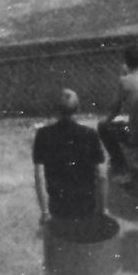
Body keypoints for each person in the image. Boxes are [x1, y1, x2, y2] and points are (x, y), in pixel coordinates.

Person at [30, 88, 106, 224]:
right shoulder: (90, 134)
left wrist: (45, 212)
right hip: (86, 204)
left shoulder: (43, 135)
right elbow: (101, 175)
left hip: (58, 206)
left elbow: (39, 176)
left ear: (56, 110)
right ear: (78, 109)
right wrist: (102, 209)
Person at [98, 46, 138, 189]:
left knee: (103, 127)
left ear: (127, 62)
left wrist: (106, 121)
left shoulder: (124, 81)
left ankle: (121, 166)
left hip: (136, 134)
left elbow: (114, 108)